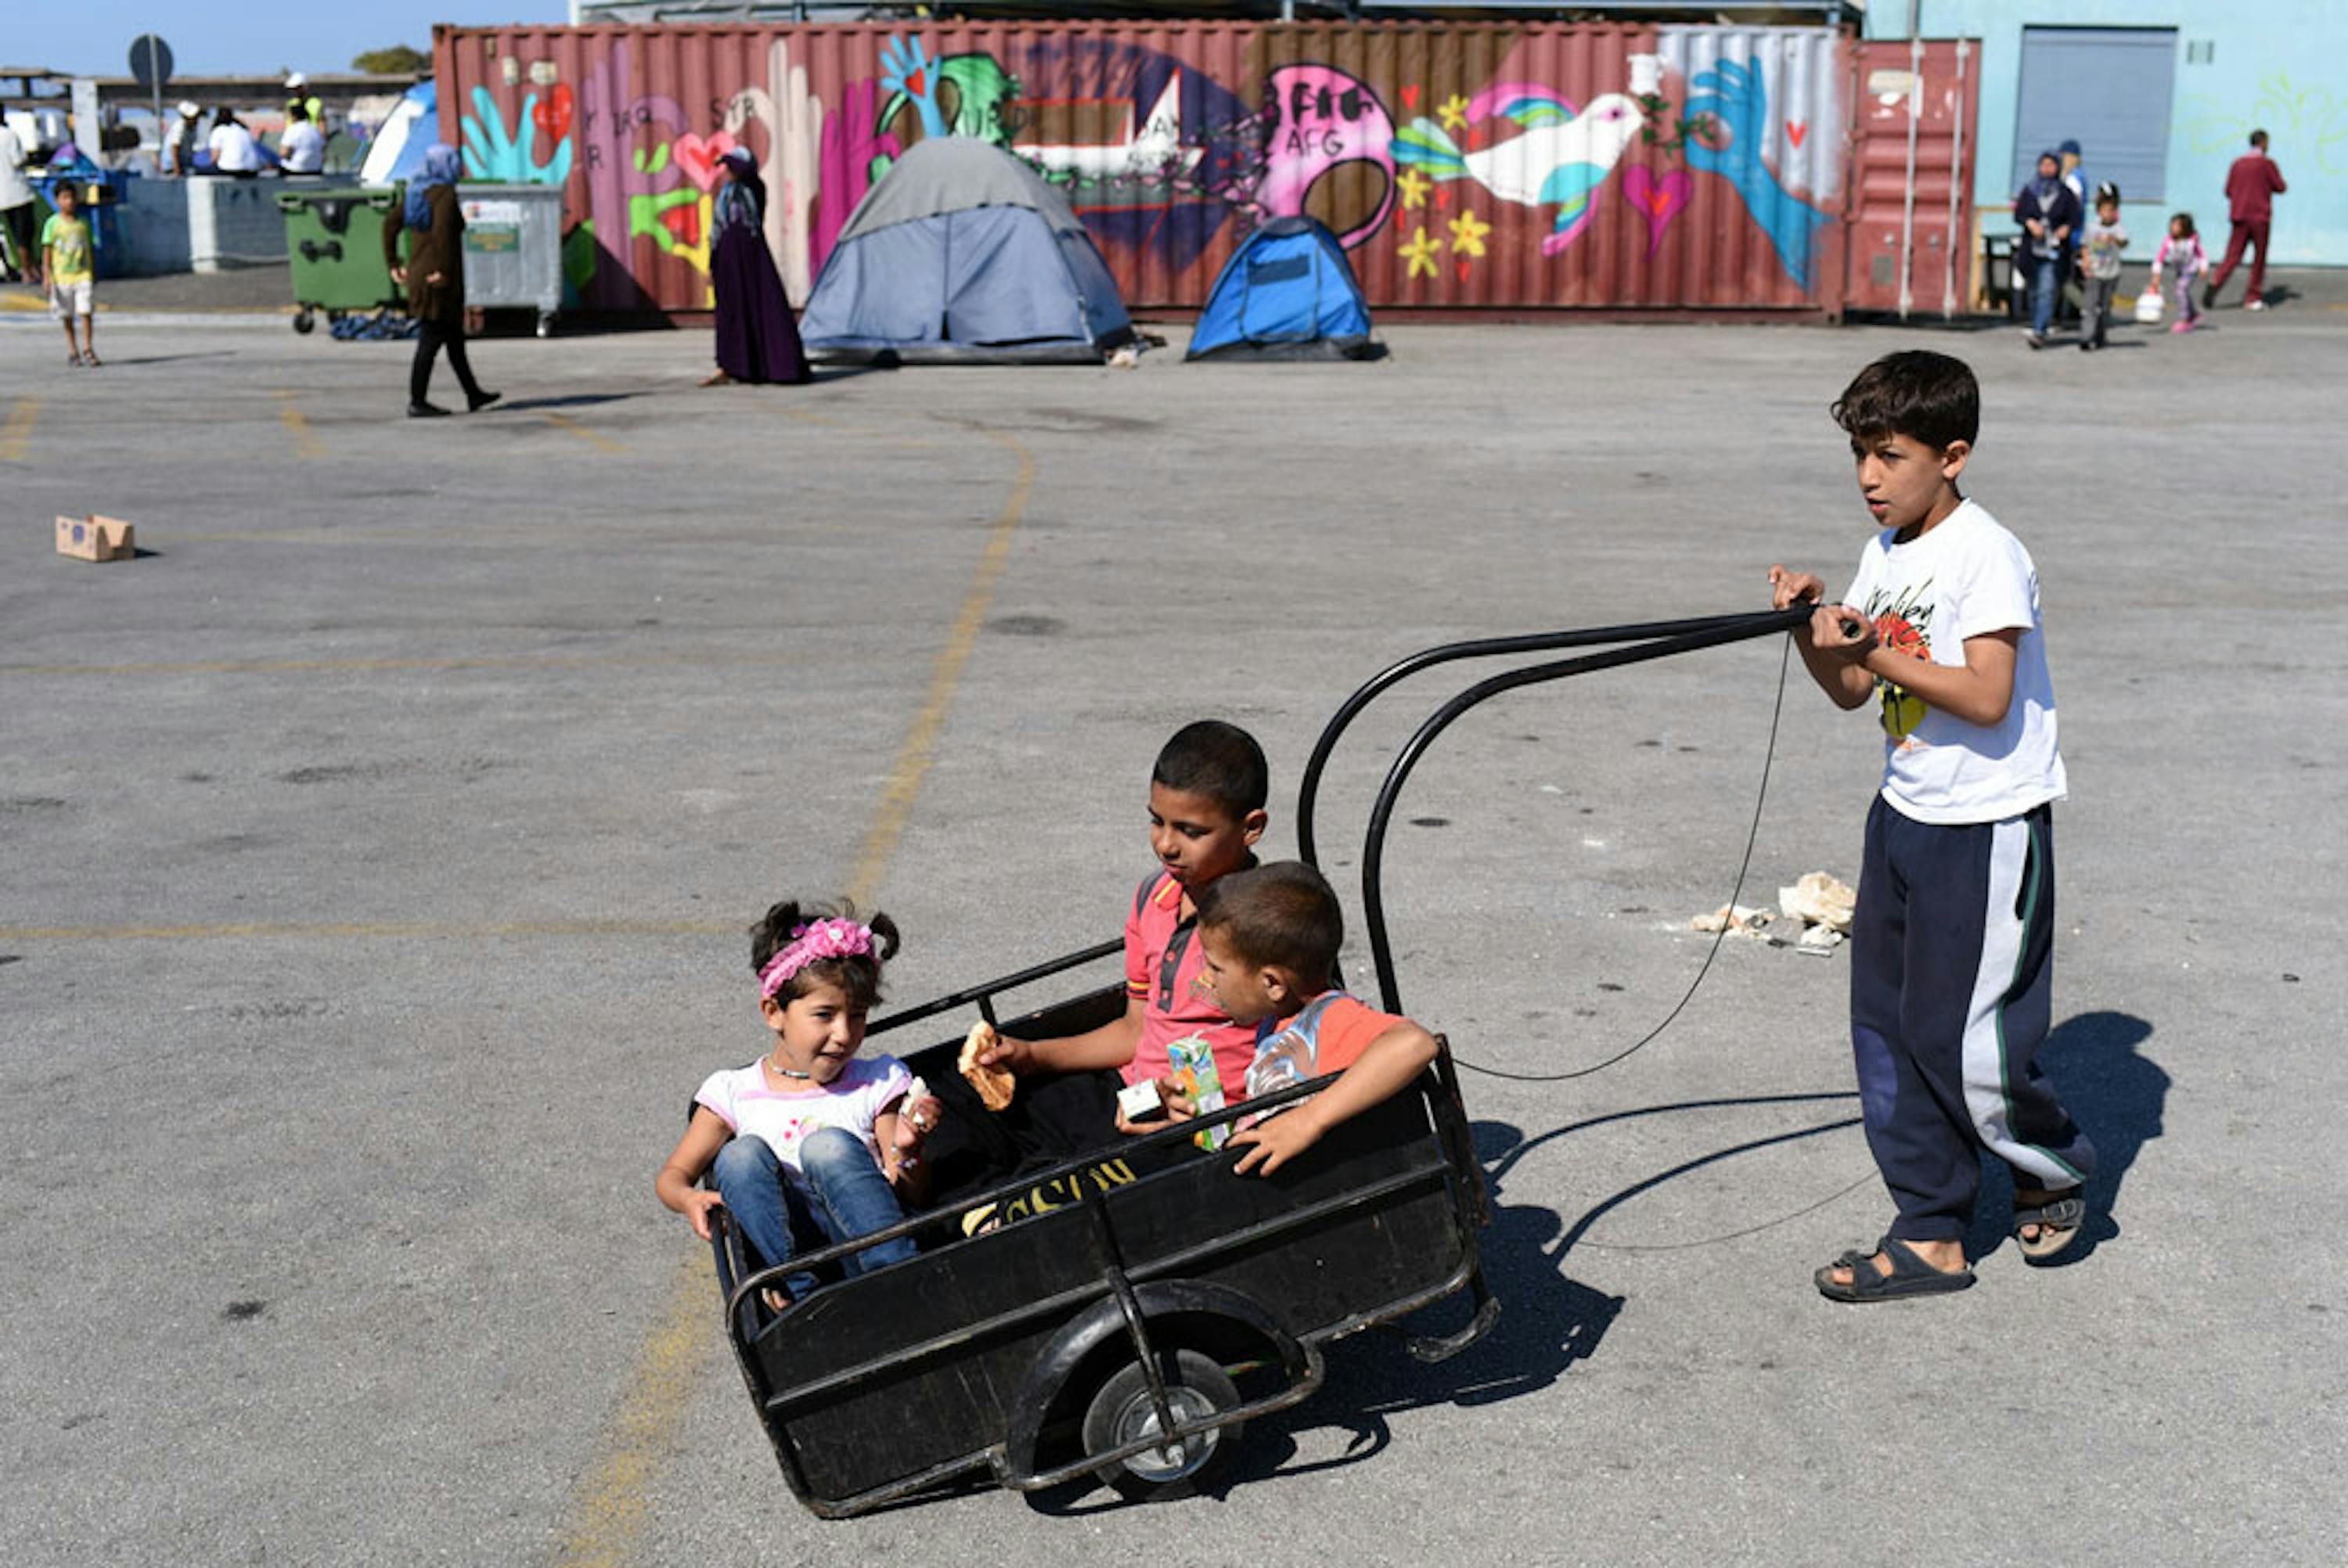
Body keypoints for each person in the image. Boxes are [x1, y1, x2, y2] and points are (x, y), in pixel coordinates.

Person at [1767, 350, 2092, 1304]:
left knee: (1966, 1037)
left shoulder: (1985, 552)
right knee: (1886, 1027)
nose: (1870, 477)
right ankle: (1932, 1226)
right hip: (1904, 810)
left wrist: (1874, 649)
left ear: (1951, 455)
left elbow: (1987, 697)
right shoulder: (1887, 552)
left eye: (1890, 456)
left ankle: (2051, 1160)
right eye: (1860, 456)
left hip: (1986, 827)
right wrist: (1808, 630)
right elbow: (1854, 690)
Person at [921, 721, 1269, 1209]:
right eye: (1158, 822)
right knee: (945, 1093)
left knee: (1083, 1186)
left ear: (1251, 828)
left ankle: (1002, 1208)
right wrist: (1031, 1056)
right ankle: (986, 1204)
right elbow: (1135, 1029)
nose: (1166, 844)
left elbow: (1304, 1042)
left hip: (1188, 1126)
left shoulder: (1267, 924)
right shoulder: (1155, 896)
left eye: (1191, 831)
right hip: (1127, 1092)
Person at [655, 901, 944, 1303]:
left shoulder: (876, 1081)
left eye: (857, 1016)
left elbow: (912, 1194)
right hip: (797, 1259)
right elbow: (673, 1175)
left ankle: (897, 1279)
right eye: (824, 1015)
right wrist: (688, 1198)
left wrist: (909, 1150)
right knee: (738, 1157)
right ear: (774, 1013)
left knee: (827, 1147)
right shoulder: (733, 1091)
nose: (844, 1034)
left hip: (870, 1244)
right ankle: (800, 1298)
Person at [1151, 861, 1442, 1176]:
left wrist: (1310, 1119)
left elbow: (1415, 1043)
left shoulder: (1329, 1016)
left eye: (1216, 968)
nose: (1206, 979)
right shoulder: (1274, 1020)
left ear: (1273, 984)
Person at [382, 144, 500, 418]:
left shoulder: (415, 193)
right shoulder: (445, 195)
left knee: (454, 340)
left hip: (421, 276)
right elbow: (443, 235)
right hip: (439, 280)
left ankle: (474, 394)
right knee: (431, 340)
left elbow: (390, 223)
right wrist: (443, 270)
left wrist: (394, 264)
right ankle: (417, 401)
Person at [703, 148, 809, 387]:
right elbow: (718, 226)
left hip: (751, 256)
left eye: (731, 166)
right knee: (733, 311)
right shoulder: (729, 191)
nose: (728, 171)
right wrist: (713, 258)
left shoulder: (752, 188)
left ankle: (772, 367)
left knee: (761, 307)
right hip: (729, 256)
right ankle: (732, 366)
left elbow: (749, 212)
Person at [2205, 129, 2286, 312]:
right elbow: (2280, 186)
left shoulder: (2238, 164)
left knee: (2233, 254)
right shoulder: (2266, 164)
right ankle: (2253, 297)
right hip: (2259, 216)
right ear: (2263, 143)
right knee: (2259, 258)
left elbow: (2228, 190)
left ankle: (2216, 280)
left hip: (2239, 214)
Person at [2012, 151, 2080, 348]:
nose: (2047, 169)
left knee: (2047, 289)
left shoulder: (2065, 193)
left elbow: (2075, 218)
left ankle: (2040, 330)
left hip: (2054, 251)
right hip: (2032, 250)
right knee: (2034, 290)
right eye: (2044, 165)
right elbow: (2019, 214)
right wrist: (2031, 223)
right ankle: (2036, 322)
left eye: (2051, 165)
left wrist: (2065, 229)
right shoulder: (2030, 190)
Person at [42, 181, 97, 367]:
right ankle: (73, 350)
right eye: (65, 198)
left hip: (83, 274)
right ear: (57, 201)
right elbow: (47, 252)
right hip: (62, 277)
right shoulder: (52, 224)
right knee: (67, 315)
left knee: (86, 311)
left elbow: (89, 248)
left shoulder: (83, 224)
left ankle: (88, 348)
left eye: (72, 197)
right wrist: (47, 276)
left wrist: (93, 270)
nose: (69, 202)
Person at [2075, 183, 2127, 352]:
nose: (2108, 214)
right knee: (2090, 306)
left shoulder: (2118, 228)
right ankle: (2086, 336)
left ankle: (2100, 335)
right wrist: (2086, 262)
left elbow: (2124, 242)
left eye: (2112, 211)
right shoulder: (2092, 228)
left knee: (2104, 307)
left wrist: (2114, 239)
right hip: (2095, 272)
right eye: (2105, 210)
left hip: (2111, 272)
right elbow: (2084, 246)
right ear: (2099, 211)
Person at [2151, 214, 2209, 336]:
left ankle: (2185, 319)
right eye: (2172, 225)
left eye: (2177, 225)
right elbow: (2160, 258)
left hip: (2191, 269)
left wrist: (2203, 268)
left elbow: (2201, 254)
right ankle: (2192, 313)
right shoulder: (2169, 241)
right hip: (2180, 270)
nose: (2173, 228)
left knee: (2181, 290)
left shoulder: (2192, 241)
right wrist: (2156, 275)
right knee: (2184, 291)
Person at [0, 117, 38, 286]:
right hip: (17, 191)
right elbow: (18, 160)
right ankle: (28, 272)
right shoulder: (9, 135)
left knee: (8, 235)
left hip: (2, 195)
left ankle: (9, 269)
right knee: (24, 235)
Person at [2054, 139, 2087, 322]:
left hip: (2070, 235)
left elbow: (2072, 205)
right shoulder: (2080, 176)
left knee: (2063, 277)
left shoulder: (2073, 178)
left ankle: (2085, 309)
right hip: (2075, 232)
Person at [206, 109, 262, 177]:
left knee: (201, 170)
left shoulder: (218, 130)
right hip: (252, 169)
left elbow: (215, 158)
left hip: (231, 169)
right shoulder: (244, 129)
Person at [279, 104, 326, 176]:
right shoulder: (315, 129)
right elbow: (322, 150)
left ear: (293, 116)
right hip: (316, 170)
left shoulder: (292, 129)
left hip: (295, 170)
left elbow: (284, 153)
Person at [161, 101, 205, 176]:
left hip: (184, 163)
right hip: (173, 165)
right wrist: (177, 170)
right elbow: (174, 149)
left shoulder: (192, 128)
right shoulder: (179, 127)